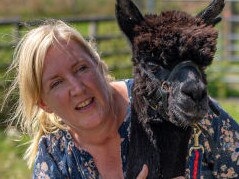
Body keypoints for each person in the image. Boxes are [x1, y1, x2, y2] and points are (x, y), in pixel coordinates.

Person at [4, 19, 239, 179]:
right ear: (44, 103)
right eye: (56, 83)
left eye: (81, 68)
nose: (77, 88)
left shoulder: (174, 103)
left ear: (98, 64)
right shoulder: (56, 159)